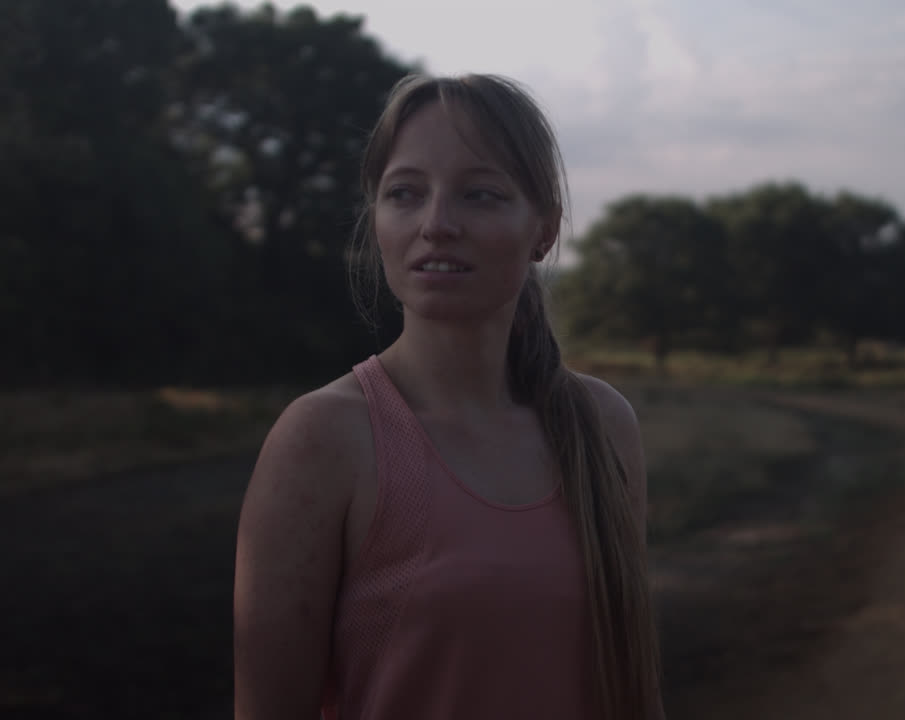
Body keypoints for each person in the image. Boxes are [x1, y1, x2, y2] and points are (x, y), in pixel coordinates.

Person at [232, 73, 664, 720]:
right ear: (376, 218)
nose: (436, 224)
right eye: (405, 194)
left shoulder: (602, 424)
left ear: (542, 229)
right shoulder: (322, 438)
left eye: (481, 195)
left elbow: (634, 692)